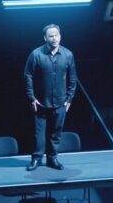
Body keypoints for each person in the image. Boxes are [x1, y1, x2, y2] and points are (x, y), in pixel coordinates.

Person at [23, 24, 78, 170]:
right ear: (45, 38)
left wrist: (70, 98)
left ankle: (52, 158)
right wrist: (31, 97)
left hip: (60, 102)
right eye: (51, 36)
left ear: (60, 36)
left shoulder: (68, 54)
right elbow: (28, 76)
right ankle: (36, 159)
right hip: (40, 102)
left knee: (56, 133)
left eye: (56, 35)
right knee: (38, 134)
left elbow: (73, 78)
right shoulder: (36, 54)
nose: (54, 38)